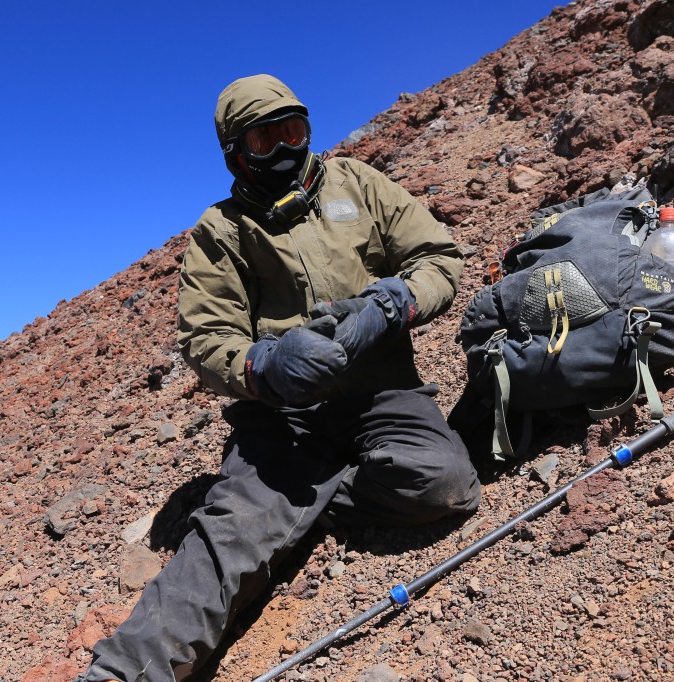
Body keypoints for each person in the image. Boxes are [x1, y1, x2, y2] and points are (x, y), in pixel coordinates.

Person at [81, 74, 481, 682]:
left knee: (444, 485)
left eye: (294, 131)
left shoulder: (357, 184)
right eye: (265, 140)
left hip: (381, 390)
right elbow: (206, 338)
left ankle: (302, 503)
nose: (286, 149)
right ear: (236, 154)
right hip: (282, 416)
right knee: (227, 541)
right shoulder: (221, 231)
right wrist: (263, 364)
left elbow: (439, 259)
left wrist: (391, 302)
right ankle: (121, 674)